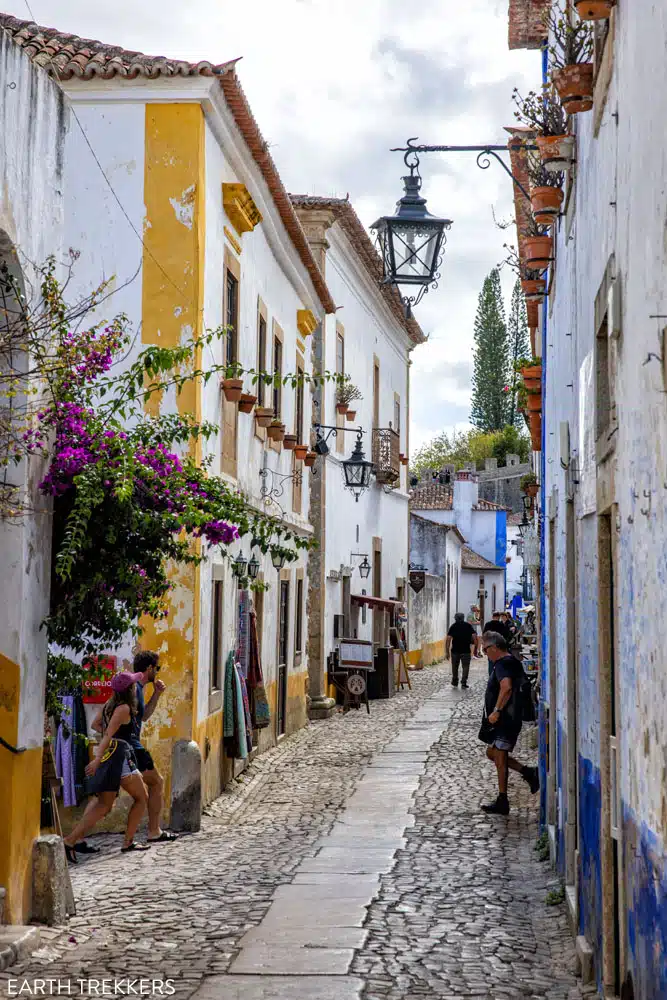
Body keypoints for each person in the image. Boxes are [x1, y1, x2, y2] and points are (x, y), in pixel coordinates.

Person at [91, 652, 177, 844]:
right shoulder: (135, 689)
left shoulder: (135, 688)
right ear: (149, 669)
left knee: (106, 802)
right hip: (132, 749)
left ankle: (75, 839)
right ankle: (152, 831)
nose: (158, 671)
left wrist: (156, 693)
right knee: (155, 784)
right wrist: (116, 737)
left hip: (125, 749)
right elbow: (114, 721)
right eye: (157, 668)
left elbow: (143, 716)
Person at [63, 677, 149, 861]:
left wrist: (106, 745)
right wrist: (97, 760)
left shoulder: (109, 704)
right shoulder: (123, 708)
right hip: (119, 756)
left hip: (112, 756)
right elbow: (108, 734)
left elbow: (96, 725)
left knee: (103, 805)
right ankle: (128, 842)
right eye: (134, 685)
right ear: (130, 689)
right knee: (141, 797)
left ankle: (70, 840)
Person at [478, 631, 539, 815]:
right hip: (508, 718)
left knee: (500, 756)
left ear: (494, 647)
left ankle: (503, 800)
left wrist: (496, 711)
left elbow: (506, 688)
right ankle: (528, 773)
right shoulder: (508, 662)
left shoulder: (504, 664)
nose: (485, 652)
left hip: (506, 718)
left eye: (486, 648)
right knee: (493, 753)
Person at [445, 613, 476, 688]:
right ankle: (463, 682)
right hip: (466, 650)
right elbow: (474, 636)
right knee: (465, 666)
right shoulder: (468, 625)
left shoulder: (453, 626)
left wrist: (447, 651)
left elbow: (448, 639)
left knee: (454, 666)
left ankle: (455, 681)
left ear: (455, 618)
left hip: (455, 650)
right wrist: (474, 646)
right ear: (463, 618)